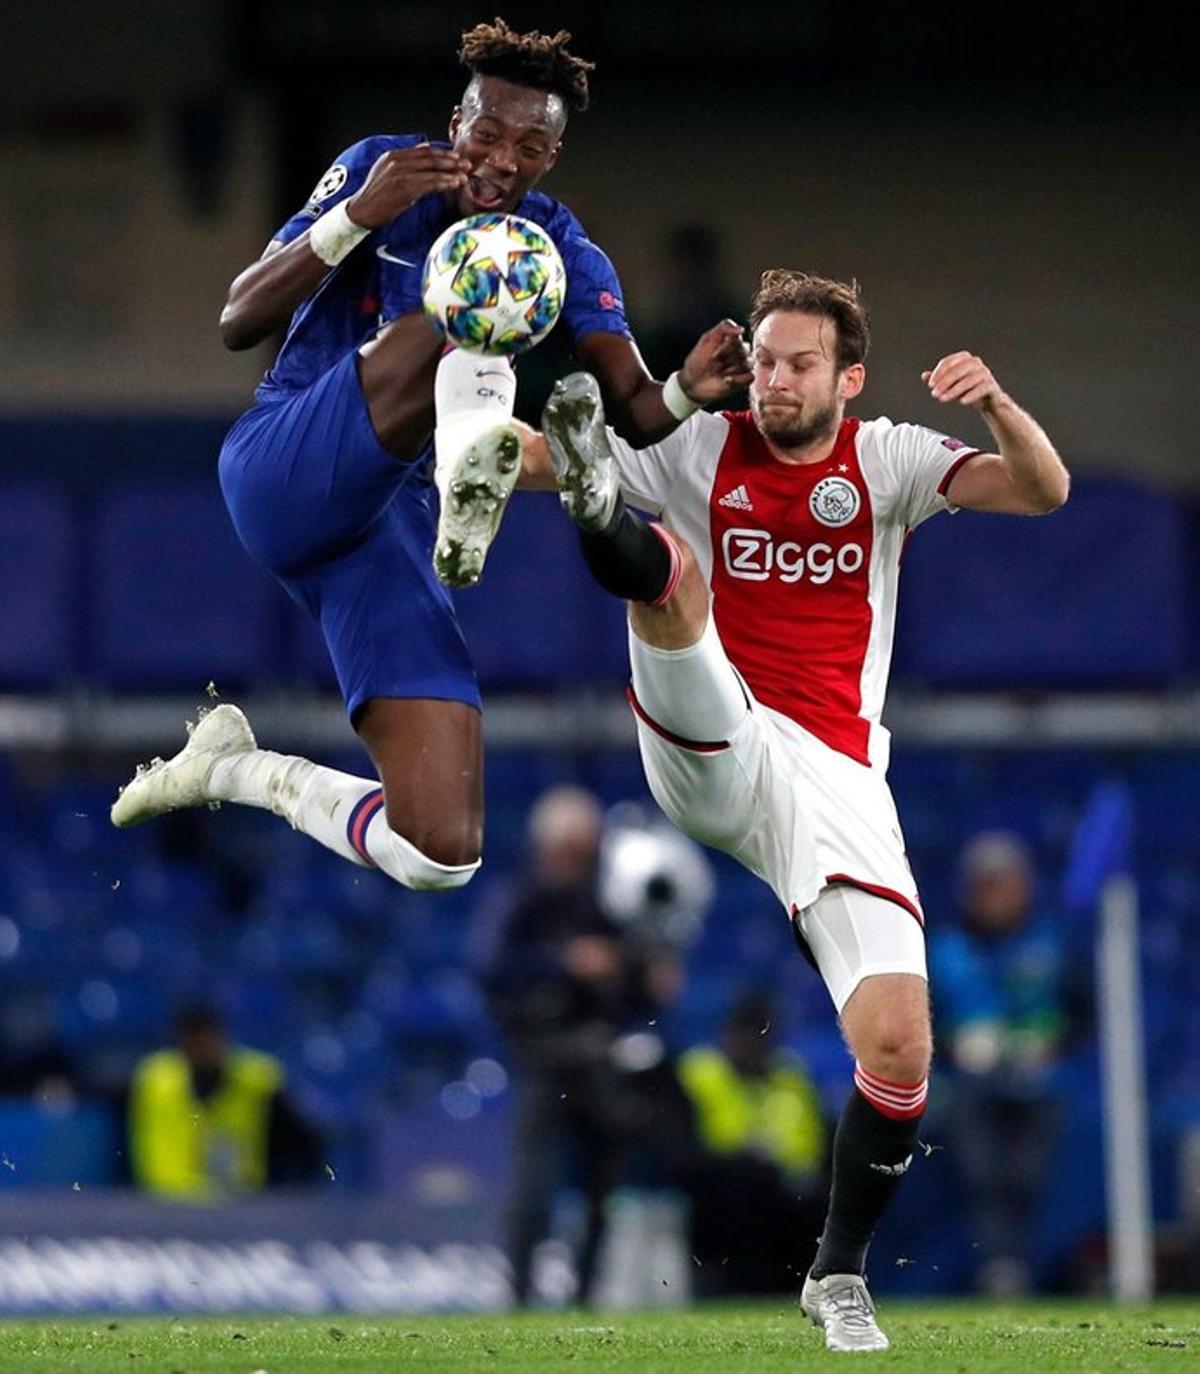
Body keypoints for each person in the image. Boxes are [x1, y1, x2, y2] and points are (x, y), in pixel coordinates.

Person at [520, 268, 1069, 1349]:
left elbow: (1043, 490)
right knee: (671, 578)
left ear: (846, 377)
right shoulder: (698, 444)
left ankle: (837, 1274)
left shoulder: (889, 457)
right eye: (763, 360)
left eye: (798, 363)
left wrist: (996, 402)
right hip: (714, 730)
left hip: (837, 777)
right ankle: (604, 509)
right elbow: (525, 454)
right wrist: (478, 439)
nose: (773, 381)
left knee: (902, 1044)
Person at [109, 19, 750, 893]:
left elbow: (637, 413)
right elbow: (237, 321)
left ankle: (227, 768)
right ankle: (468, 470)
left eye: (530, 144)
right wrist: (356, 216)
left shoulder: (562, 245)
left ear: (551, 157)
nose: (501, 158)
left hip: (384, 530)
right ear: (456, 122)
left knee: (438, 852)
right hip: (286, 461)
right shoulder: (383, 170)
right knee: (482, 282)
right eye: (487, 132)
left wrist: (689, 387)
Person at [476, 785, 679, 1306]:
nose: (577, 857)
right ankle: (520, 1295)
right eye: (570, 846)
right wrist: (564, 960)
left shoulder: (610, 899)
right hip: (543, 1057)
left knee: (599, 1186)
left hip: (601, 1055)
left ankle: (586, 1295)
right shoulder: (520, 899)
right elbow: (491, 968)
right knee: (535, 1186)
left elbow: (636, 974)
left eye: (585, 847)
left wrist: (645, 975)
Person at [930, 831, 1068, 1296]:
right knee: (981, 1176)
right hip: (970, 1085)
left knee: (1029, 1178)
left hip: (1040, 1082)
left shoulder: (1051, 941)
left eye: (1002, 884)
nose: (994, 896)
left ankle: (1029, 1266)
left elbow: (1085, 1013)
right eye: (984, 885)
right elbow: (918, 1019)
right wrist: (955, 1045)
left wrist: (1053, 1042)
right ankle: (994, 1267)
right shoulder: (946, 948)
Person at [678, 990, 828, 1295]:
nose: (754, 1044)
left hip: (787, 1189)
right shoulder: (701, 1072)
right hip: (718, 1186)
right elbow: (684, 1149)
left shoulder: (789, 1075)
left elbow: (815, 1139)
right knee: (739, 1192)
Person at [128, 1003, 321, 1201]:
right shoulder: (155, 1079)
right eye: (192, 1039)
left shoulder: (259, 1079)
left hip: (240, 1203)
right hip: (164, 1203)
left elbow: (300, 1144)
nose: (200, 1048)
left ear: (223, 1037)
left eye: (206, 1038)